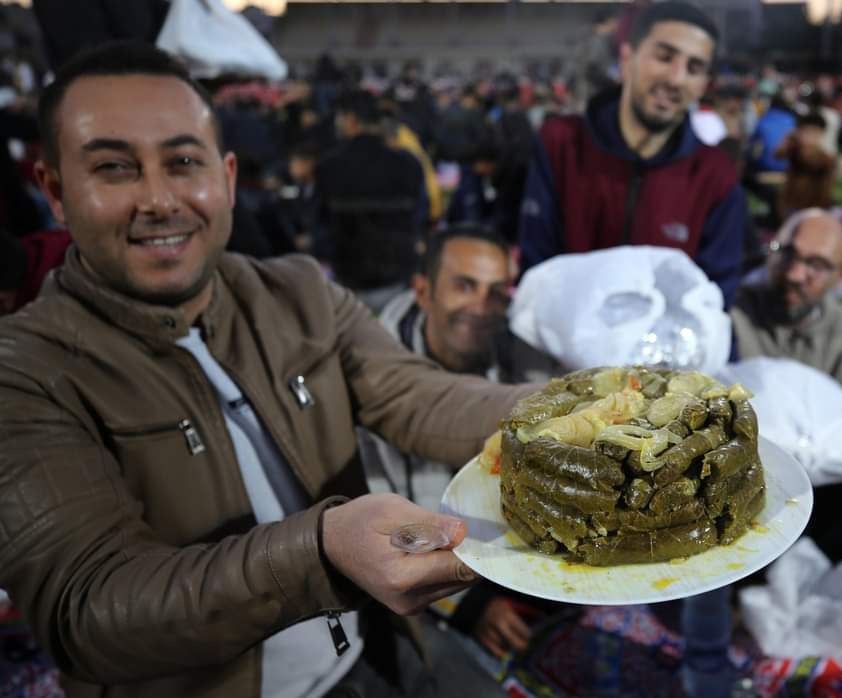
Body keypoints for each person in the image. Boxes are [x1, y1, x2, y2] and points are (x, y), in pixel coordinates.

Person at [0, 42, 536, 698]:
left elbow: (419, 395)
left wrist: (576, 408)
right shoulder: (24, 371)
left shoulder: (297, 292)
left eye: (183, 162)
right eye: (114, 168)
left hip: (373, 649)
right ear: (55, 191)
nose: (159, 199)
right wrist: (322, 550)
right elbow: (87, 609)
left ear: (226, 178)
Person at [359, 225, 562, 659]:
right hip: (420, 581)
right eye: (464, 286)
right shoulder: (376, 375)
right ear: (422, 291)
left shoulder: (517, 346)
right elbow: (388, 516)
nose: (481, 307)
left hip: (512, 549)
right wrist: (471, 605)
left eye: (496, 293)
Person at [518, 1, 747, 309]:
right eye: (664, 57)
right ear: (627, 59)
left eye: (694, 68)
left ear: (704, 85)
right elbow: (536, 271)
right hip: (558, 336)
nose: (676, 78)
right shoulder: (561, 144)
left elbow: (713, 301)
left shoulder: (716, 177)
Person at [315, 90, 428, 311]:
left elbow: (320, 223)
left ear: (351, 120)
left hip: (348, 275)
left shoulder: (329, 166)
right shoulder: (409, 164)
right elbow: (421, 214)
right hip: (398, 275)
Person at [731, 209, 842, 393]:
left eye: (817, 265)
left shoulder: (838, 323)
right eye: (788, 254)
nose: (794, 275)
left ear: (841, 275)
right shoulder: (733, 310)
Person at [774, 112, 836, 220]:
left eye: (813, 132)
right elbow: (778, 154)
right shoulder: (794, 151)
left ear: (820, 134)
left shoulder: (826, 159)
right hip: (791, 208)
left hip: (815, 212)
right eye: (805, 131)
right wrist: (790, 139)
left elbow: (813, 163)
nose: (809, 137)